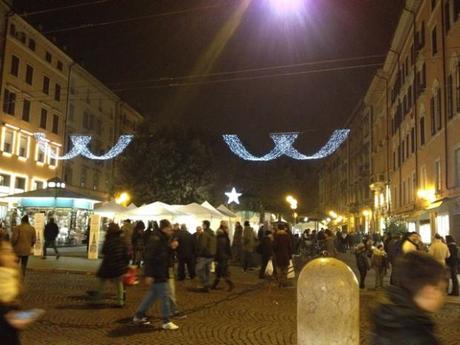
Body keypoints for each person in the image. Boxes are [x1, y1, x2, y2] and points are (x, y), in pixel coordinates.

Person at [371, 252, 447, 345]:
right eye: (442, 289)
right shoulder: (418, 335)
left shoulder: (388, 313)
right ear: (429, 291)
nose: (443, 296)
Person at [133, 219, 179, 330]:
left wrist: (171, 248)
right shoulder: (156, 239)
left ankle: (138, 316)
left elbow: (163, 254)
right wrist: (149, 274)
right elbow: (149, 256)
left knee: (151, 296)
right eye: (170, 228)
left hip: (160, 271)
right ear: (165, 228)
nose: (171, 230)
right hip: (158, 272)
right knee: (164, 297)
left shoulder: (162, 238)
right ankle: (166, 321)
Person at [92, 223, 128, 307]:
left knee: (102, 282)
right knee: (119, 283)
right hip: (119, 265)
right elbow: (126, 253)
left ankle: (97, 299)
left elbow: (104, 251)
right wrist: (125, 263)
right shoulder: (122, 240)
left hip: (108, 264)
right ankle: (120, 302)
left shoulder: (108, 239)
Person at [211, 221, 234, 291]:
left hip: (222, 257)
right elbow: (227, 248)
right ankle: (213, 286)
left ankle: (231, 284)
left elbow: (219, 250)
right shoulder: (225, 238)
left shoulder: (220, 239)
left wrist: (216, 258)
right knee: (219, 272)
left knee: (222, 271)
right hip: (224, 257)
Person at [195, 220, 216, 292]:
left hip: (204, 255)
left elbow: (203, 245)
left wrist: (198, 253)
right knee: (207, 270)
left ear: (205, 225)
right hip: (211, 255)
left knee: (198, 269)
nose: (202, 226)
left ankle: (205, 284)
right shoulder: (212, 233)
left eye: (202, 224)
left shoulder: (205, 234)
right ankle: (208, 285)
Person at [273, 223, 292, 288]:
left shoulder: (276, 236)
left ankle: (280, 283)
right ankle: (284, 283)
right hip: (286, 255)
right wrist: (290, 255)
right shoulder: (287, 236)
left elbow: (275, 246)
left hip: (278, 256)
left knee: (279, 270)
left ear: (278, 228)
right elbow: (290, 247)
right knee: (285, 271)